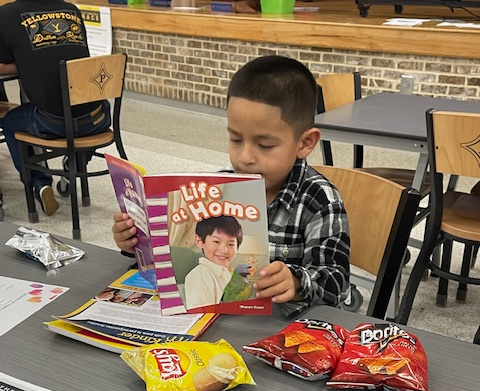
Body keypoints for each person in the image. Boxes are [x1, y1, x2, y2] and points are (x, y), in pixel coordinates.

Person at [112, 55, 350, 317]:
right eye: (236, 139)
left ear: (305, 143)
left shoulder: (319, 199)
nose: (245, 157)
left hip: (285, 330)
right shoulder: (218, 188)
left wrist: (296, 282)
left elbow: (337, 284)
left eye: (265, 145)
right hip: (219, 324)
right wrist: (136, 243)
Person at [0, 0, 111, 216]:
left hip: (54, 122)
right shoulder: (72, 10)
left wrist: (26, 61)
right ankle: (75, 163)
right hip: (99, 118)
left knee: (11, 121)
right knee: (80, 112)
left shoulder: (7, 14)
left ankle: (39, 183)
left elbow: (3, 64)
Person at [184, 215, 243, 310]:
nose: (224, 250)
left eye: (231, 244)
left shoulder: (227, 273)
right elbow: (202, 315)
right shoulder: (201, 276)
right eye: (216, 241)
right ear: (199, 241)